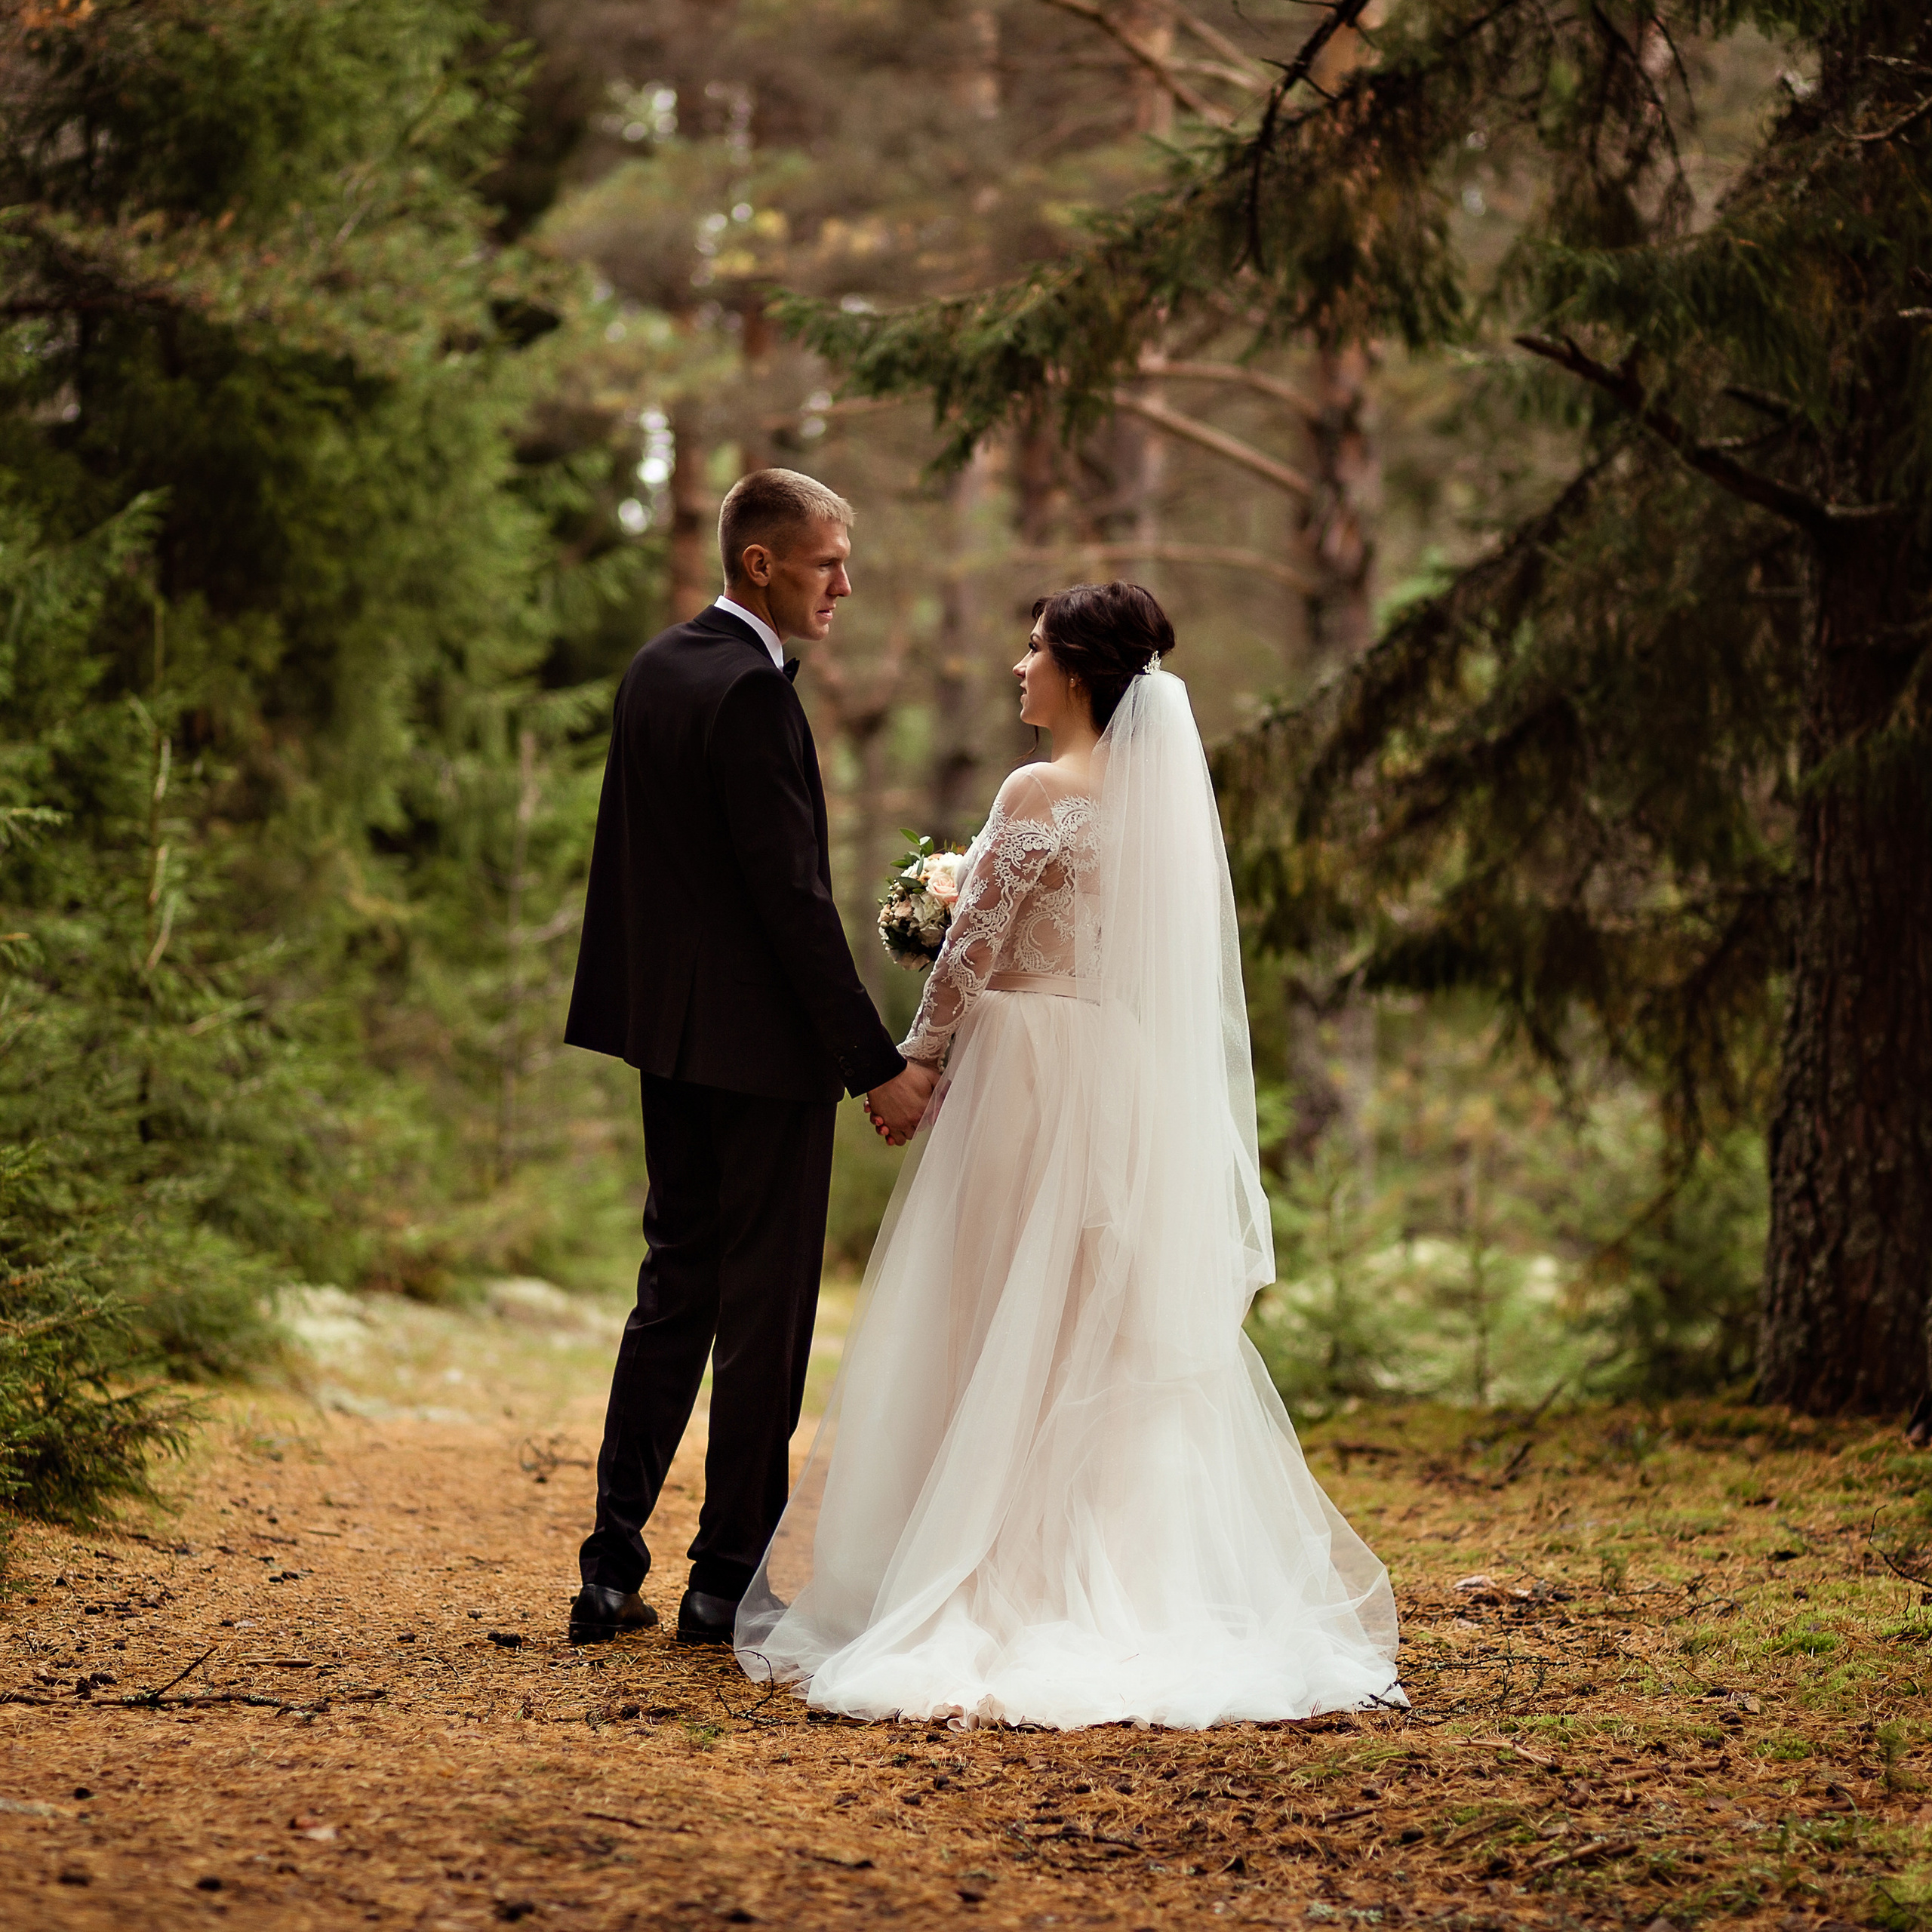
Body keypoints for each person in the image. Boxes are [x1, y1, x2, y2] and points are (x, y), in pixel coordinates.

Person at [734, 581, 1402, 1728]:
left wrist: (912, 1067)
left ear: (1081, 673)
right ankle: (1125, 1576)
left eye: (1033, 649)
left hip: (1029, 1077)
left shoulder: (1037, 788)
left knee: (998, 1312)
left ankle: (992, 1574)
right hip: (1121, 1077)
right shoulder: (1158, 807)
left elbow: (971, 956)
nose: (1017, 667)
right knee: (1099, 1315)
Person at [562, 467, 937, 1648]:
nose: (846, 584)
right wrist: (874, 1063)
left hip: (666, 1044)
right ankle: (727, 1584)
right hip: (763, 1059)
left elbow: (648, 873)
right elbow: (788, 903)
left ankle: (610, 1569)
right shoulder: (752, 694)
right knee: (763, 1319)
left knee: (672, 1293)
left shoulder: (657, 670)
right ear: (762, 563)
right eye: (828, 563)